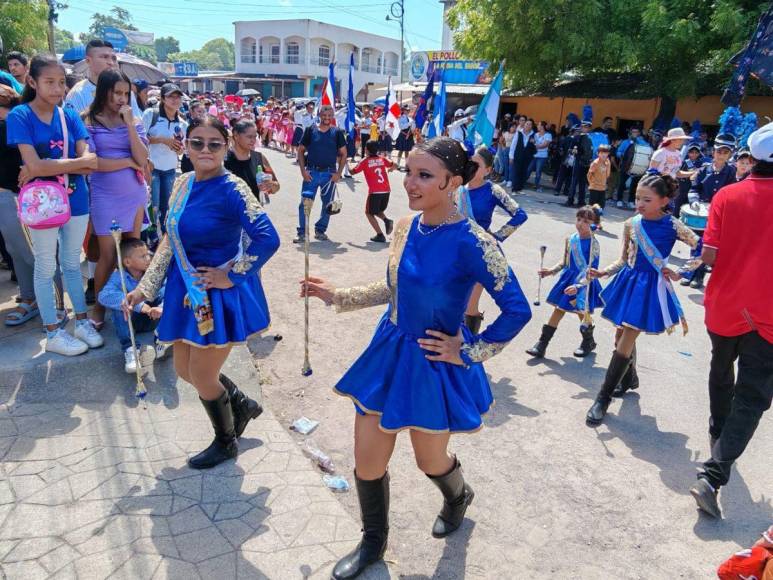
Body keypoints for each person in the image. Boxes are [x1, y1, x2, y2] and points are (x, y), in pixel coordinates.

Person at [300, 137, 532, 580]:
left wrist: (468, 352)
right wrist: (337, 295)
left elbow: (518, 308)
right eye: (409, 172)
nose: (409, 183)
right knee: (367, 459)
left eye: (424, 175)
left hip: (433, 363)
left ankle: (458, 496)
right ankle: (372, 545)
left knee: (430, 461)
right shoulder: (406, 226)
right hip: (389, 353)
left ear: (453, 182)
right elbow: (395, 289)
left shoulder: (475, 242)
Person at [125, 115, 280, 469]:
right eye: (197, 142)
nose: (205, 149)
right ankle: (240, 405)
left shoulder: (234, 189)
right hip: (184, 290)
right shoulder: (181, 183)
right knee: (184, 370)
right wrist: (145, 289)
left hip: (215, 294)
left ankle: (226, 442)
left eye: (214, 143)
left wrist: (233, 275)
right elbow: (169, 241)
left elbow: (268, 238)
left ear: (226, 147)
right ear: (186, 145)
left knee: (203, 376)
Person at [688, 122, 773, 519]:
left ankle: (718, 432)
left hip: (724, 307)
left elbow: (709, 257)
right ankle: (714, 473)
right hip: (769, 317)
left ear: (752, 158)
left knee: (721, 370)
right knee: (753, 397)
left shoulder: (727, 194)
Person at [7, 54, 104, 356]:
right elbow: (32, 164)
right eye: (50, 82)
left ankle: (82, 322)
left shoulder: (70, 116)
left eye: (62, 82)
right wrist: (70, 164)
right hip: (42, 204)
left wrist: (47, 166)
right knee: (46, 266)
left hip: (76, 198)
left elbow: (92, 163)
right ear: (32, 82)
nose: (58, 88)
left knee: (73, 264)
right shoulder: (20, 115)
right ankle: (53, 331)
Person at [586, 173, 700, 426]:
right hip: (628, 282)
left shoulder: (672, 225)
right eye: (637, 197)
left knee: (625, 339)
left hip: (650, 289)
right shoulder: (631, 223)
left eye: (646, 199)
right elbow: (624, 259)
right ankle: (630, 378)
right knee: (620, 336)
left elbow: (701, 246)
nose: (639, 203)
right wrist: (603, 272)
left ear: (664, 200)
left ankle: (602, 398)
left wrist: (683, 271)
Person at [83, 69, 150, 329]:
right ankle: (99, 309)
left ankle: (131, 304)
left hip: (133, 194)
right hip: (105, 196)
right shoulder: (88, 120)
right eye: (117, 93)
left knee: (131, 253)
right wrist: (125, 161)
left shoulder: (134, 120)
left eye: (126, 93)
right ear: (104, 92)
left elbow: (142, 158)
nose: (122, 99)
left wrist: (131, 125)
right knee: (108, 257)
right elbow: (92, 163)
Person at [457, 147, 528, 333]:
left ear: (488, 170)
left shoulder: (493, 190)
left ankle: (469, 349)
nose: (471, 167)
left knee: (468, 306)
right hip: (455, 249)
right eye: (469, 163)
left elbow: (520, 214)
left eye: (477, 165)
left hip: (480, 252)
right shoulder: (458, 188)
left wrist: (497, 236)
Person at [526, 206, 603, 358]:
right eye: (579, 219)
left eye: (586, 221)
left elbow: (593, 268)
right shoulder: (571, 239)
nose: (580, 224)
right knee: (559, 309)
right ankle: (542, 344)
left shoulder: (594, 244)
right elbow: (565, 262)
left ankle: (588, 341)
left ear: (594, 224)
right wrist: (551, 271)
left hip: (583, 283)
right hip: (568, 280)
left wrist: (578, 285)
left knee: (582, 313)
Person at [0, 90, 39, 327]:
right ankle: (29, 298)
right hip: (8, 197)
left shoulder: (9, 126)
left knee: (31, 255)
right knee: (16, 252)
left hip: (15, 197)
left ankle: (53, 306)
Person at [98, 238, 166, 373]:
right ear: (127, 262)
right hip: (132, 321)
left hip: (155, 316)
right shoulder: (119, 277)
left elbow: (167, 288)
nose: (148, 258)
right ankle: (131, 349)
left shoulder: (153, 273)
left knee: (166, 291)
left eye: (148, 254)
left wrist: (162, 307)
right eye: (143, 256)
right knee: (121, 306)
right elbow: (103, 296)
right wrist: (139, 306)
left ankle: (162, 336)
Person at [681, 133, 737, 289]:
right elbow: (694, 189)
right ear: (713, 151)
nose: (721, 155)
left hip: (719, 214)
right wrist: (694, 201)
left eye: (725, 152)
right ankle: (690, 273)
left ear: (730, 154)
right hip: (701, 212)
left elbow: (732, 193)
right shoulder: (704, 170)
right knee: (696, 244)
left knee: (708, 246)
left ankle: (699, 277)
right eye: (719, 151)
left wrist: (719, 205)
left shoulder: (731, 172)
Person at [294, 104, 347, 243]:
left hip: (329, 175)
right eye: (324, 115)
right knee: (305, 203)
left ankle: (320, 230)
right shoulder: (310, 130)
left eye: (329, 115)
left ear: (333, 116)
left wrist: (338, 174)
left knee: (328, 204)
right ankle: (302, 232)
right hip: (311, 173)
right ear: (319, 115)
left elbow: (344, 154)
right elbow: (300, 151)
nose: (327, 118)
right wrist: (303, 171)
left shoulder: (337, 133)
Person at [143, 83, 188, 232]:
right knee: (152, 206)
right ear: (163, 98)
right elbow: (140, 139)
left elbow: (182, 151)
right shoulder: (151, 114)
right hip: (152, 168)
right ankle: (151, 238)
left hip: (170, 170)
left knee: (167, 207)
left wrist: (179, 149)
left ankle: (163, 238)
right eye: (171, 96)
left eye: (178, 96)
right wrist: (162, 139)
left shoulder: (182, 124)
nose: (175, 100)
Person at [65, 40, 142, 118]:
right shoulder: (77, 93)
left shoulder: (126, 91)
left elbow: (138, 126)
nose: (111, 62)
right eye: (105, 57)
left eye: (114, 58)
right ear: (88, 61)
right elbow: (71, 126)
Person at [225, 119, 280, 204]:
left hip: (254, 213)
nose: (253, 140)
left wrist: (271, 185)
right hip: (229, 214)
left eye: (255, 136)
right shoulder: (223, 159)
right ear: (236, 135)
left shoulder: (259, 157)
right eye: (249, 136)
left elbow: (276, 186)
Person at [351, 140, 394, 243]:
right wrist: (391, 169)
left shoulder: (365, 161)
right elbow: (393, 164)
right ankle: (387, 221)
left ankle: (380, 235)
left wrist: (345, 164)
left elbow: (353, 172)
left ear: (366, 150)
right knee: (377, 210)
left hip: (375, 191)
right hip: (386, 190)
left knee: (369, 212)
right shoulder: (382, 158)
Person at [615, 126, 648, 209]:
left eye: (636, 132)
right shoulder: (625, 142)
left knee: (634, 185)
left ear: (639, 133)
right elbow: (618, 152)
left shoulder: (642, 142)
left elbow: (647, 150)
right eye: (633, 132)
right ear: (630, 133)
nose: (635, 134)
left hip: (637, 167)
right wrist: (621, 155)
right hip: (626, 166)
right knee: (622, 184)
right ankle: (619, 200)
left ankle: (631, 201)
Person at [674, 142, 707, 216]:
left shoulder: (702, 164)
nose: (694, 154)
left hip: (693, 190)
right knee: (677, 210)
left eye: (696, 152)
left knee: (690, 210)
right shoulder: (683, 162)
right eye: (691, 152)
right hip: (682, 190)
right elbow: (677, 173)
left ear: (699, 153)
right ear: (688, 153)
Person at [565, 120, 593, 206]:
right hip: (578, 162)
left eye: (587, 127)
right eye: (584, 127)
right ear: (581, 127)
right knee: (574, 182)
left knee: (583, 183)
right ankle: (570, 199)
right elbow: (569, 150)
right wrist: (573, 151)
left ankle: (581, 201)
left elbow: (590, 151)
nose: (585, 128)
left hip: (586, 163)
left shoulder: (590, 138)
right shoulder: (577, 137)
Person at [524, 121, 552, 192]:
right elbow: (531, 143)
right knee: (528, 169)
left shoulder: (548, 135)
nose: (537, 126)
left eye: (539, 125)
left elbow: (544, 145)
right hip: (534, 155)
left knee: (538, 171)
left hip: (542, 156)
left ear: (542, 126)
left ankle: (536, 185)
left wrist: (535, 143)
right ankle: (523, 182)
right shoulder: (535, 134)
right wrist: (535, 144)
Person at [509, 118, 535, 193]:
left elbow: (535, 147)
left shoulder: (533, 135)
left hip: (527, 157)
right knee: (516, 172)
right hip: (517, 155)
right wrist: (511, 156)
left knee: (523, 172)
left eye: (530, 124)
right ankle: (514, 189)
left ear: (531, 126)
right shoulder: (518, 133)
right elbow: (513, 145)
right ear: (524, 125)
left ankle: (519, 189)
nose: (528, 125)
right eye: (527, 124)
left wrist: (534, 143)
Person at [181, 100, 206, 173]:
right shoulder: (185, 124)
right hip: (189, 159)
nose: (202, 114)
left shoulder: (206, 124)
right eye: (199, 111)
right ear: (191, 111)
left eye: (203, 111)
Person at [587, 144, 612, 208]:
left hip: (602, 188)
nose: (603, 154)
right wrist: (592, 183)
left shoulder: (608, 162)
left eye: (605, 153)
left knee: (601, 206)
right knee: (592, 206)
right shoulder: (595, 163)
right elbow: (589, 174)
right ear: (598, 153)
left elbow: (607, 174)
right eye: (601, 153)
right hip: (594, 188)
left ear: (608, 153)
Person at [395, 105, 415, 170]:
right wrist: (409, 124)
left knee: (407, 151)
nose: (407, 111)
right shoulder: (400, 118)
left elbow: (413, 127)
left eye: (408, 110)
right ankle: (397, 164)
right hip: (403, 135)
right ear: (403, 111)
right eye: (406, 110)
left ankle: (406, 165)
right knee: (401, 150)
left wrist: (413, 126)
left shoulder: (410, 118)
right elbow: (401, 127)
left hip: (409, 135)